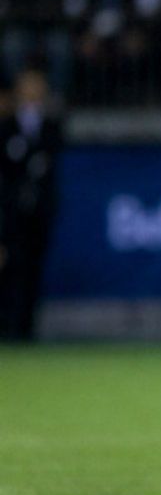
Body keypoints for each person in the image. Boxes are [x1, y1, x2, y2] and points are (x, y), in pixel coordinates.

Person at [0, 69, 62, 342]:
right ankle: (8, 324)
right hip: (11, 212)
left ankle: (26, 327)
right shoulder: (7, 125)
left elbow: (52, 157)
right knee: (11, 266)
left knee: (34, 267)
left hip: (40, 210)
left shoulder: (51, 124)